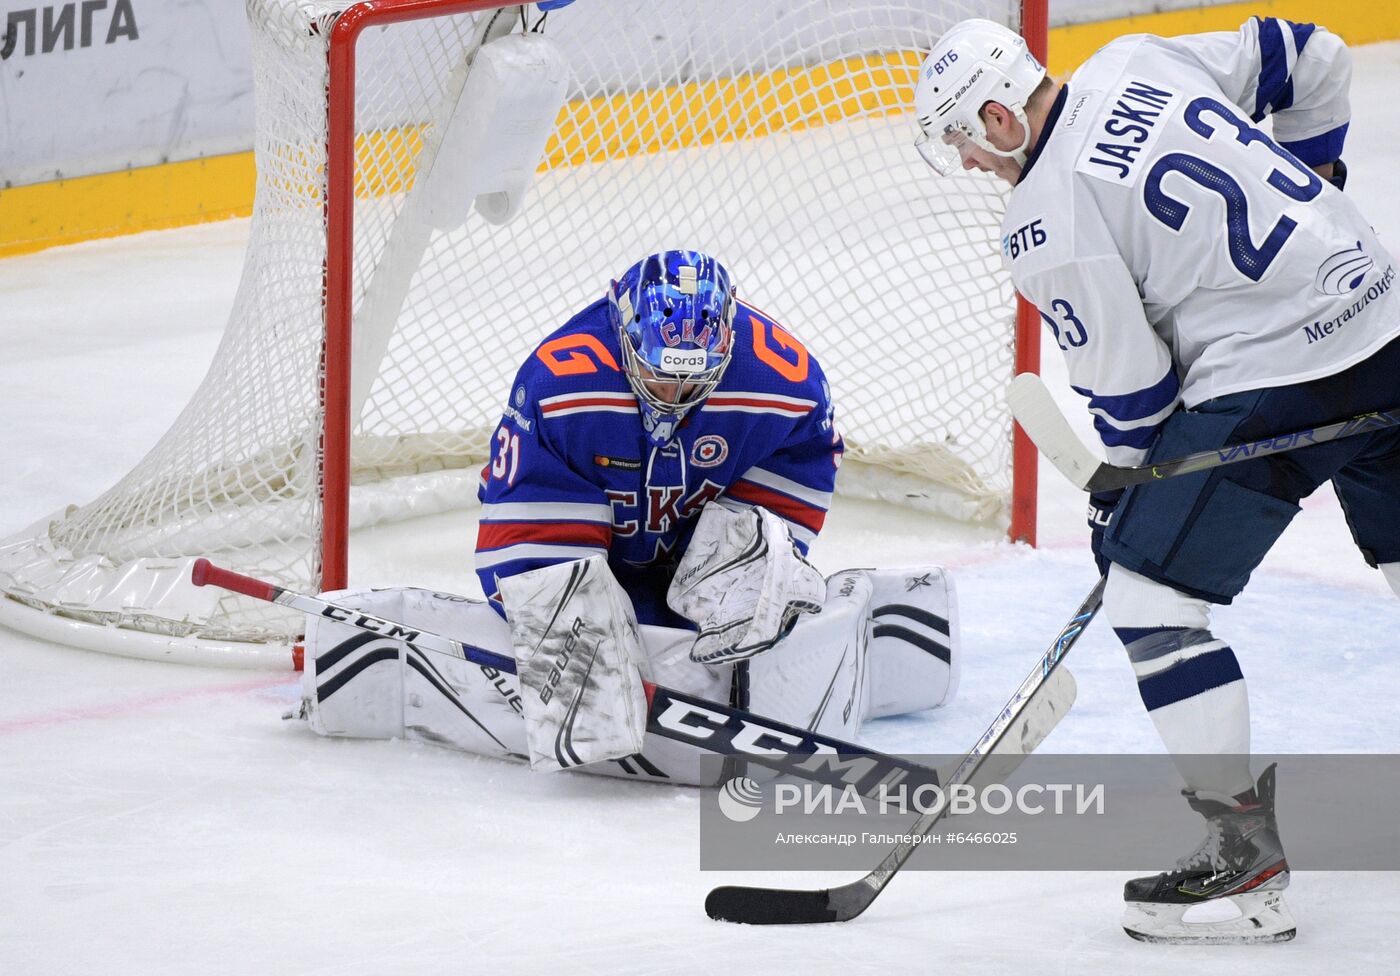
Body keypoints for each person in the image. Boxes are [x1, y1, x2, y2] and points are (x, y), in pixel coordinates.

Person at [912, 16, 1400, 944]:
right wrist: (1325, 182)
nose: (972, 165)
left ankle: (1241, 859)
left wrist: (1123, 505)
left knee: (1150, 600)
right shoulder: (1139, 58)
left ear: (998, 116)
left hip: (1277, 374)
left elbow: (1137, 401)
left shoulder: (1044, 217)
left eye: (965, 141)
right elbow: (1318, 57)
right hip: (1384, 306)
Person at [292, 249, 961, 786]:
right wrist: (577, 641)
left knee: (757, 591)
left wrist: (755, 574)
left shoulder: (782, 380)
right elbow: (525, 533)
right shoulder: (563, 382)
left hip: (686, 544)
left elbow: (797, 474)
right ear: (624, 335)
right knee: (572, 638)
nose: (674, 395)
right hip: (587, 547)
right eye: (659, 375)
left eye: (694, 380)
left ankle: (726, 641)